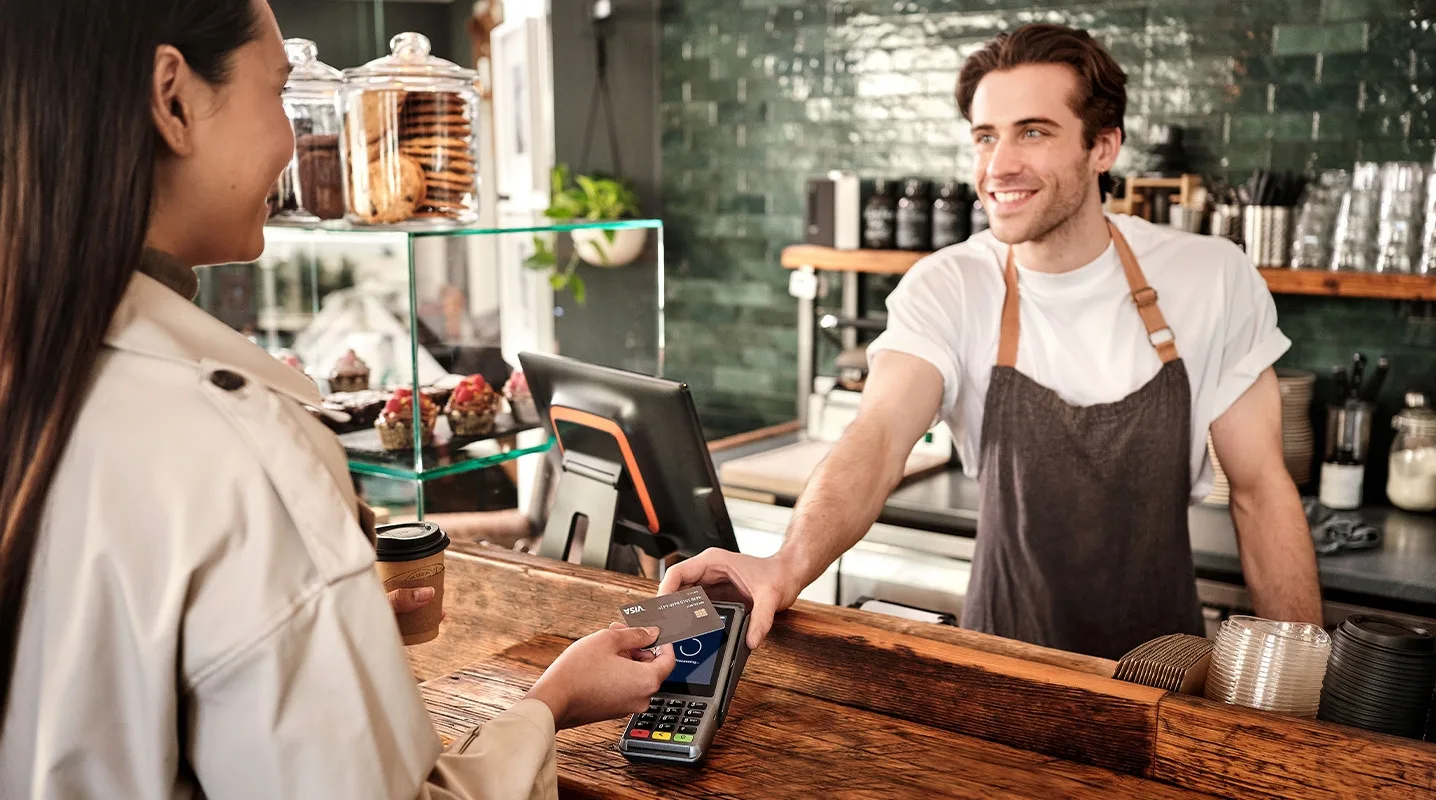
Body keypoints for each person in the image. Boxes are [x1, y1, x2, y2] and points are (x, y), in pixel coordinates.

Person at [0, 3, 673, 799]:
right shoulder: (239, 448)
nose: (295, 144)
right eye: (282, 93)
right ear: (173, 100)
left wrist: (322, 631)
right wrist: (549, 704)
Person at [661, 24, 1323, 660]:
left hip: (1162, 676)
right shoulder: (949, 286)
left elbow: (1261, 491)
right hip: (999, 663)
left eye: (1032, 132)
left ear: (1103, 147)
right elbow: (880, 436)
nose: (998, 166)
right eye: (984, 137)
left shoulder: (1211, 278)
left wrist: (1304, 698)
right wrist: (786, 565)